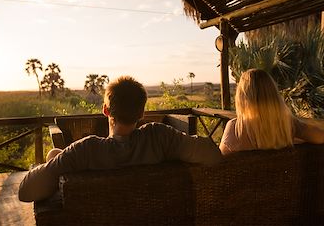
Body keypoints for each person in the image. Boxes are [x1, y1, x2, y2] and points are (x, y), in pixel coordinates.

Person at [19, 75, 222, 202]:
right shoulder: (160, 137)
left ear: (106, 110)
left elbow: (26, 192)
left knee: (53, 155)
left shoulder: (85, 151)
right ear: (141, 113)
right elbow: (213, 155)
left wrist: (58, 160)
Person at [219, 68, 324, 155]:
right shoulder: (287, 124)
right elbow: (320, 137)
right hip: (283, 179)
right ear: (273, 95)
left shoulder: (236, 128)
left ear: (243, 97)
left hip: (247, 180)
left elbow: (220, 164)